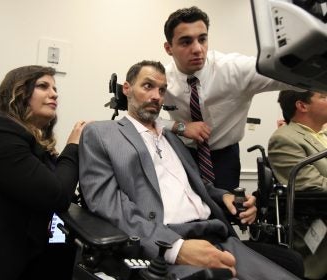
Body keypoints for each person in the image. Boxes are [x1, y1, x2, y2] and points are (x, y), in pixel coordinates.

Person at [79, 60, 301, 280]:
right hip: (166, 240)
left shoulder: (174, 139)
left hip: (217, 235)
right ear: (127, 89)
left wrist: (224, 196)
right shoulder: (101, 133)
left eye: (162, 90)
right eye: (147, 86)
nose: (156, 96)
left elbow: (198, 184)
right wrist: (174, 248)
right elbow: (109, 205)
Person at [0, 65, 88, 280]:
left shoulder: (29, 141)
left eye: (55, 88)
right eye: (43, 86)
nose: (54, 94)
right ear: (19, 91)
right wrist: (74, 146)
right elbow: (56, 194)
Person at [161, 6, 293, 192]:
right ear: (169, 48)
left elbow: (292, 77)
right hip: (182, 154)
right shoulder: (161, 78)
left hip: (225, 156)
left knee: (224, 213)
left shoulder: (235, 70)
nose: (197, 49)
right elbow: (140, 117)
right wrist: (179, 127)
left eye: (202, 39)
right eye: (186, 42)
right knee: (186, 215)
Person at [268, 89, 327, 279]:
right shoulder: (285, 138)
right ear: (302, 106)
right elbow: (314, 189)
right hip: (317, 225)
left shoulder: (323, 135)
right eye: (324, 96)